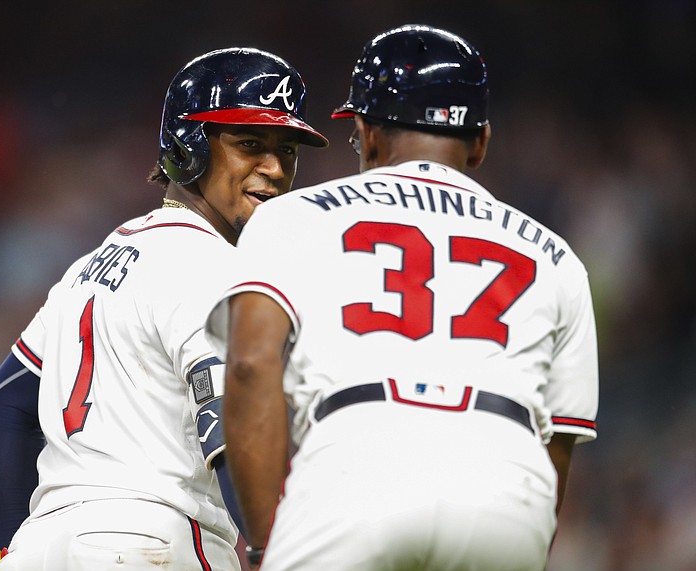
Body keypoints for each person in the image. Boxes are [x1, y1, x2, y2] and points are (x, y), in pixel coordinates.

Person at [205, 25, 599, 571]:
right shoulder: (557, 258)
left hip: (354, 468)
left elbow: (249, 365)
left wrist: (266, 543)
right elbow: (558, 448)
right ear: (480, 141)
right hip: (507, 487)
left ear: (366, 134)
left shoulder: (293, 216)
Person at [0, 46, 327, 570]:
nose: (274, 168)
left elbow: (1, 408)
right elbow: (237, 428)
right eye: (250, 143)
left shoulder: (91, 265)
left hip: (40, 550)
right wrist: (273, 552)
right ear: (188, 148)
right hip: (150, 544)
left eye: (288, 150)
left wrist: (15, 545)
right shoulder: (216, 268)